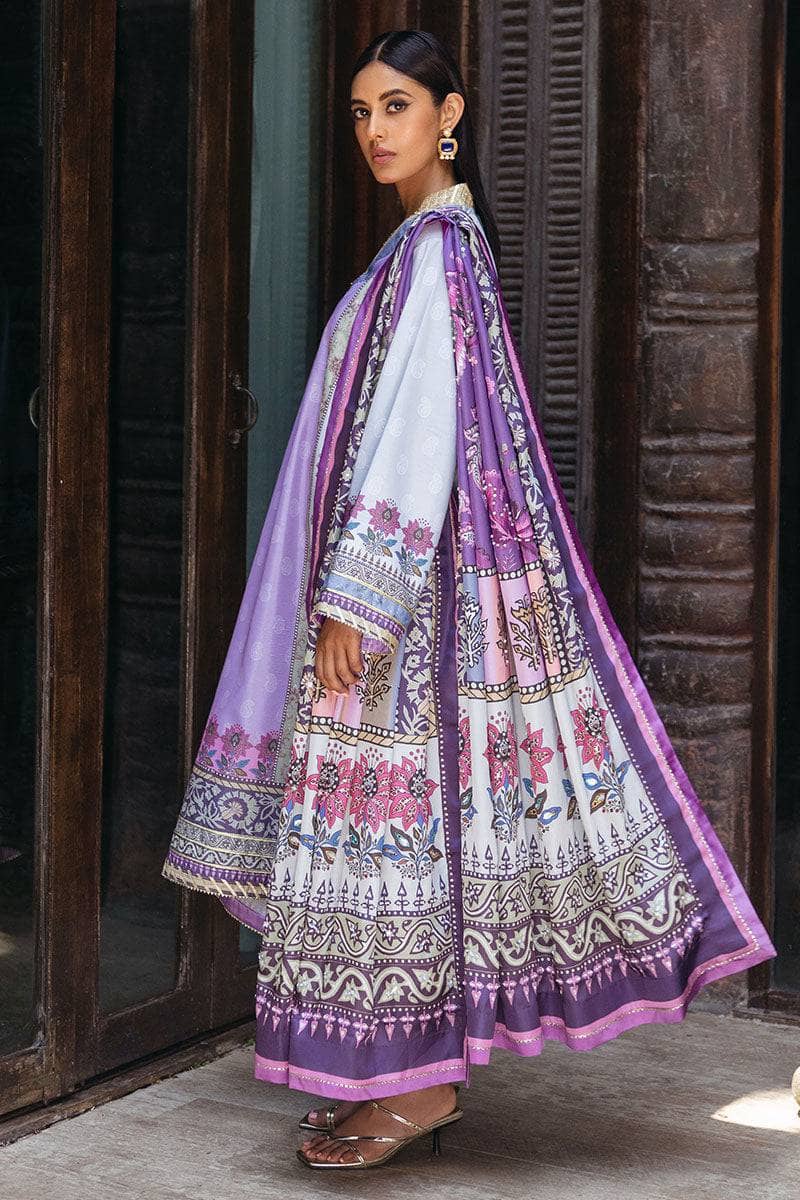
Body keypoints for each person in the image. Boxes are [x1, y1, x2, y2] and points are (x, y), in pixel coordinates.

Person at [162, 29, 778, 1170]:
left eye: (395, 105)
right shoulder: (415, 249)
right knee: (392, 835)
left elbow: (418, 433)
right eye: (358, 112)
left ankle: (420, 1087)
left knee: (395, 830)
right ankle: (396, 1080)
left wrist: (360, 600)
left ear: (449, 116)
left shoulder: (440, 252)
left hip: (399, 610)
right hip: (391, 598)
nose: (373, 131)